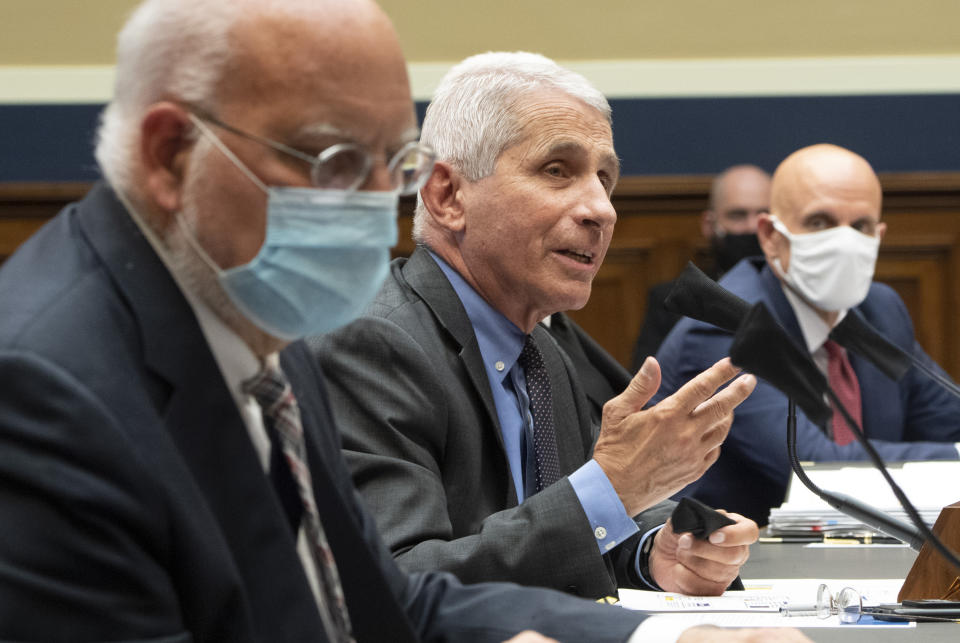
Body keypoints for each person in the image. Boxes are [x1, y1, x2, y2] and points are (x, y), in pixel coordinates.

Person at [0, 2, 799, 641]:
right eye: (338, 161)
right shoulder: (42, 389)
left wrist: (667, 637)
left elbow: (387, 606)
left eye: (394, 164)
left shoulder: (261, 322)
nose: (382, 201)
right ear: (174, 156)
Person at [312, 51, 759, 601]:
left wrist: (655, 552)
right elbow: (400, 584)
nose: (602, 209)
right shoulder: (373, 346)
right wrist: (614, 488)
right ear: (448, 195)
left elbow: (557, 530)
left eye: (605, 177)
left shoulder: (540, 349)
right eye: (557, 171)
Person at [653, 144, 960, 525]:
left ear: (878, 235)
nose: (844, 242)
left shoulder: (880, 310)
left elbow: (947, 418)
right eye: (820, 222)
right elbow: (812, 467)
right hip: (726, 563)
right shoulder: (728, 320)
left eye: (861, 226)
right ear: (769, 235)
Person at [632, 165, 771, 370]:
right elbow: (644, 383)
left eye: (763, 215)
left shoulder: (806, 296)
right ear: (709, 224)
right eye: (737, 215)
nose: (751, 227)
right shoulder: (672, 300)